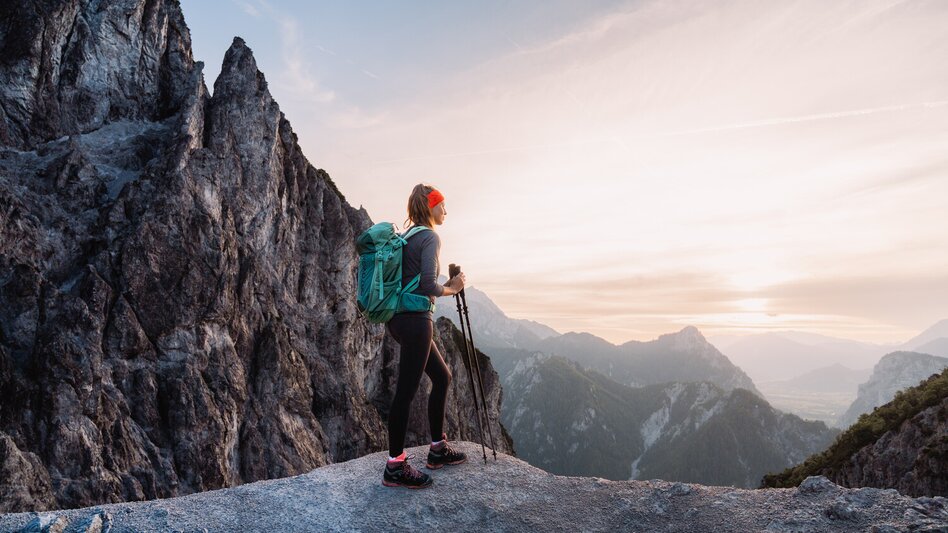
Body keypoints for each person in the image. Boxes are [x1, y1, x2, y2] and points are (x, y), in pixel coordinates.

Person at [382, 183, 468, 489]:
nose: (445, 210)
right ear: (430, 207)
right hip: (417, 320)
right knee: (405, 393)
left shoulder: (406, 237)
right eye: (442, 205)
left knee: (442, 377)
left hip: (397, 319)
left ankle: (438, 449)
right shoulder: (430, 236)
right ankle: (395, 465)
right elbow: (430, 285)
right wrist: (453, 287)